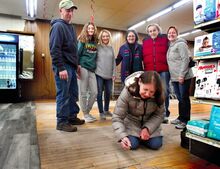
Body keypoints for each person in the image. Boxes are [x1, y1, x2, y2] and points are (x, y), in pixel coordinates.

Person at [49, 0, 85, 132]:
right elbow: (54, 49)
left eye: (72, 10)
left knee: (72, 94)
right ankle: (62, 122)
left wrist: (77, 65)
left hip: (71, 66)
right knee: (63, 94)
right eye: (67, 10)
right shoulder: (58, 26)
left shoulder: (71, 27)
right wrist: (61, 68)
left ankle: (71, 116)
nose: (70, 13)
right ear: (61, 11)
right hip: (63, 66)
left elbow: (73, 49)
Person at [112, 71, 165, 150]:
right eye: (145, 89)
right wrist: (123, 136)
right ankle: (136, 138)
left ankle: (141, 136)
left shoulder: (159, 94)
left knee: (156, 144)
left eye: (151, 92)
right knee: (132, 144)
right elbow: (117, 117)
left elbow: (159, 115)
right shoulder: (127, 92)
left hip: (150, 122)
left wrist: (147, 129)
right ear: (140, 82)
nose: (147, 94)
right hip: (132, 123)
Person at [167, 26, 194, 129]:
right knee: (180, 99)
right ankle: (180, 117)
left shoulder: (181, 44)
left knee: (184, 98)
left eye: (173, 32)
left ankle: (185, 120)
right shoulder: (171, 46)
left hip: (183, 76)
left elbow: (185, 60)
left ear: (177, 34)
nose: (171, 34)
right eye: (169, 33)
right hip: (175, 77)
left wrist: (182, 75)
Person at [142, 23, 170, 124]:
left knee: (164, 92)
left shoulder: (165, 40)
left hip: (163, 70)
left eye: (154, 30)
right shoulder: (145, 42)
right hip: (150, 71)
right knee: (151, 93)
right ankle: (152, 114)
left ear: (158, 30)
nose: (152, 32)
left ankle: (164, 114)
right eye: (150, 31)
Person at [78, 22, 98, 123]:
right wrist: (77, 66)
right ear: (86, 29)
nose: (91, 30)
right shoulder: (82, 40)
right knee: (83, 92)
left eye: (92, 28)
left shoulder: (95, 42)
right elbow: (77, 53)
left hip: (92, 69)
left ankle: (87, 112)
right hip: (83, 67)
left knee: (95, 92)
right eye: (89, 28)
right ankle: (85, 114)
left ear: (94, 30)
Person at [95, 29, 116, 120]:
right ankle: (101, 112)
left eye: (107, 36)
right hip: (99, 73)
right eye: (103, 36)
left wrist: (114, 73)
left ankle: (106, 110)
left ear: (109, 37)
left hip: (109, 75)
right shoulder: (97, 47)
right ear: (101, 37)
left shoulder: (111, 48)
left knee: (108, 93)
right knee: (99, 93)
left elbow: (113, 62)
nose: (105, 38)